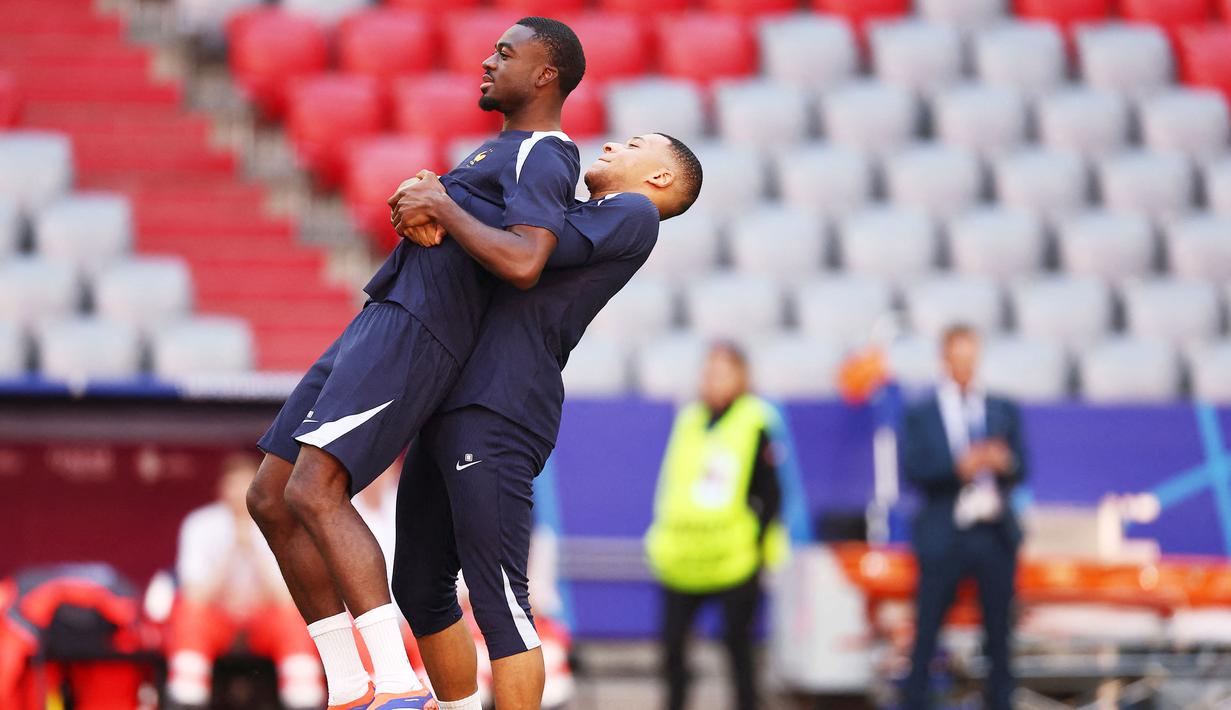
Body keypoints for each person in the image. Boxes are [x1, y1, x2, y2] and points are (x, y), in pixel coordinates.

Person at [245, 17, 586, 710]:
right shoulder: (497, 152)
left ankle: (398, 687)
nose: (487, 62)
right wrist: (425, 207)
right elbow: (465, 234)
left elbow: (525, 260)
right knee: (269, 498)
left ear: (545, 74)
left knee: (315, 490)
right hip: (380, 314)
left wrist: (441, 206)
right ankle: (346, 685)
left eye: (505, 53)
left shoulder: (547, 153)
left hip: (418, 329)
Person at [390, 132, 703, 710]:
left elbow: (526, 254)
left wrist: (444, 203)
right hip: (455, 400)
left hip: (501, 407)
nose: (611, 144)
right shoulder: (592, 214)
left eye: (634, 145)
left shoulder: (635, 212)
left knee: (500, 598)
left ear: (658, 178)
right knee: (418, 585)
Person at [644, 341, 786, 710]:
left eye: (723, 372)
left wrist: (756, 550)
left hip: (732, 561)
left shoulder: (755, 421)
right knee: (673, 651)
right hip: (681, 559)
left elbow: (771, 496)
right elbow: (672, 485)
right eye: (709, 372)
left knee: (738, 652)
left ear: (741, 376)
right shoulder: (689, 419)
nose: (713, 380)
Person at [900, 324, 1027, 710]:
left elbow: (1023, 466)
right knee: (927, 630)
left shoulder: (1001, 408)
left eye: (970, 359)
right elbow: (914, 469)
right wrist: (959, 467)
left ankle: (1000, 701)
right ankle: (916, 699)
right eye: (957, 358)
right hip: (944, 531)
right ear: (944, 359)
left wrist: (1003, 462)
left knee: (999, 634)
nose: (964, 367)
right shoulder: (922, 412)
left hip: (992, 532)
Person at [166, 453, 323, 709]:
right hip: (219, 619)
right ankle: (187, 700)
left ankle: (302, 700)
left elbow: (286, 597)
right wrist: (231, 549)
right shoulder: (200, 524)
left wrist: (253, 547)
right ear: (221, 488)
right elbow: (195, 595)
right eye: (233, 485)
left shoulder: (278, 524)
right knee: (189, 614)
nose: (239, 493)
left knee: (293, 618)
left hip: (263, 620)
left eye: (247, 484)